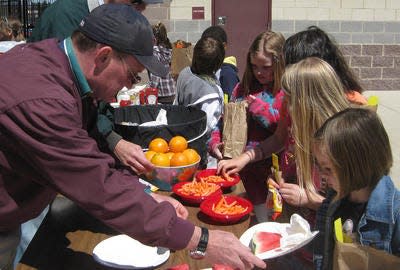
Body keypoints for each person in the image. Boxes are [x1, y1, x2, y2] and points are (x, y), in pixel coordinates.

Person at [0, 5, 265, 270]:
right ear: (103, 57)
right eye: (131, 75)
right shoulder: (43, 100)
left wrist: (143, 194)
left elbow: (96, 147)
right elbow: (97, 184)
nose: (129, 85)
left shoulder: (62, 70)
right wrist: (201, 240)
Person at [211, 31, 285, 222]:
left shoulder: (284, 93)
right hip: (240, 172)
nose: (259, 72)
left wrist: (259, 109)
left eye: (266, 67)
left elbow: (283, 130)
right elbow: (223, 121)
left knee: (267, 222)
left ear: (280, 64)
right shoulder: (242, 88)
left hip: (270, 175)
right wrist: (215, 142)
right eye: (254, 66)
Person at [312, 107, 400, 269]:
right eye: (319, 166)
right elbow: (322, 252)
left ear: (357, 166)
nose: (322, 176)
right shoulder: (333, 200)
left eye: (328, 169)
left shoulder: (395, 214)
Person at [174, 36, 225, 141]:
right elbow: (210, 126)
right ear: (219, 63)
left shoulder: (185, 73)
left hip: (180, 133)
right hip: (200, 145)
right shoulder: (211, 93)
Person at [201, 25, 240, 100]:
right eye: (205, 46)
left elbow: (232, 103)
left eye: (212, 46)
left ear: (224, 46)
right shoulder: (206, 70)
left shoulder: (228, 75)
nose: (207, 50)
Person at [148, 22, 176, 104]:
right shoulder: (170, 50)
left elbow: (155, 75)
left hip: (161, 96)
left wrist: (148, 90)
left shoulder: (154, 53)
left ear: (154, 38)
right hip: (172, 92)